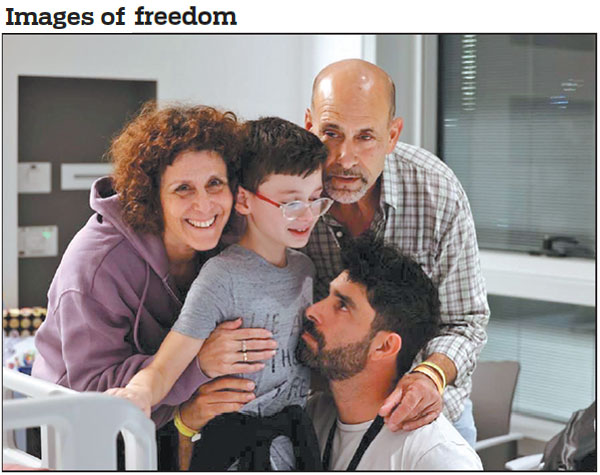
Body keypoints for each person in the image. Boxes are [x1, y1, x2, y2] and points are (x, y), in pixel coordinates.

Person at [31, 104, 277, 468]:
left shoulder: (233, 240)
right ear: (153, 197)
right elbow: (93, 391)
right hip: (81, 431)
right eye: (183, 189)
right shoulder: (96, 264)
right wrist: (200, 362)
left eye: (215, 184)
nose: (204, 204)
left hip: (174, 418)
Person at [107, 117, 331, 471]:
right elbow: (165, 368)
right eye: (290, 204)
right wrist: (138, 394)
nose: (307, 216)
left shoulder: (305, 269)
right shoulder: (221, 277)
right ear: (243, 200)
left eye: (316, 200)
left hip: (293, 447)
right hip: (234, 454)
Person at [304, 58, 489, 445]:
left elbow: (466, 322)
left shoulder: (435, 191)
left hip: (428, 415)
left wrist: (429, 376)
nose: (345, 158)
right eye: (331, 133)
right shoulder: (286, 192)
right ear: (309, 126)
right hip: (325, 414)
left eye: (366, 137)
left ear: (392, 135)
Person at [298, 233, 482, 470]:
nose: (313, 311)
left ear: (384, 346)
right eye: (327, 297)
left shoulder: (436, 456)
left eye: (342, 306)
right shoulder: (313, 416)